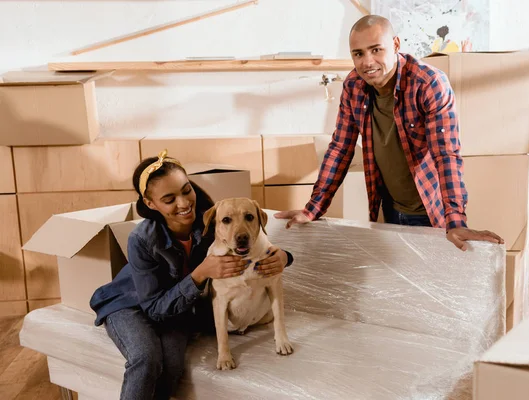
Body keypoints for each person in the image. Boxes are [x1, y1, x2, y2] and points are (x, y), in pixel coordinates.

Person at [274, 15, 504, 251]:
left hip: (432, 212)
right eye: (358, 53)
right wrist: (314, 208)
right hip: (389, 209)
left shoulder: (428, 83)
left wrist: (455, 220)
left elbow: (446, 155)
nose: (367, 62)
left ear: (395, 44)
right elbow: (341, 148)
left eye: (376, 50)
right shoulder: (353, 86)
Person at [89, 150, 294, 400]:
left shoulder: (213, 223)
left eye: (186, 190)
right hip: (131, 305)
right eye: (169, 198)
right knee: (146, 358)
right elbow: (154, 307)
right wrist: (200, 273)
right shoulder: (142, 239)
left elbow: (257, 242)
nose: (184, 203)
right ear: (151, 204)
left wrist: (284, 257)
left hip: (176, 308)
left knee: (174, 363)